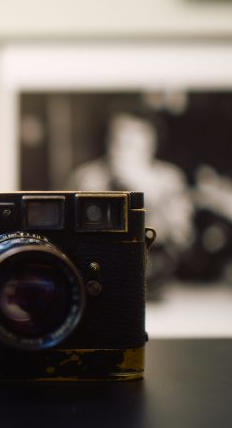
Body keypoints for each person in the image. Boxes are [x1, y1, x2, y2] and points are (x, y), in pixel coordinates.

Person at [68, 106, 194, 297]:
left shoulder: (169, 179)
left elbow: (182, 239)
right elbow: (73, 237)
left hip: (156, 283)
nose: (124, 149)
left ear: (152, 144)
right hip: (97, 283)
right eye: (119, 140)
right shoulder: (88, 177)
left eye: (134, 142)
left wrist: (148, 194)